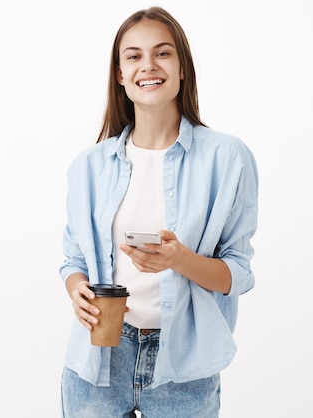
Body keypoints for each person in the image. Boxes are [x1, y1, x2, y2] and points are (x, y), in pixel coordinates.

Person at [58, 6, 258, 417]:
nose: (147, 66)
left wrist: (178, 259)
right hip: (97, 360)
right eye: (133, 56)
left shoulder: (227, 158)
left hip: (184, 364)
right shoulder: (89, 166)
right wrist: (75, 287)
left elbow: (237, 274)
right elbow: (73, 261)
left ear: (182, 66)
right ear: (119, 74)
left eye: (162, 53)